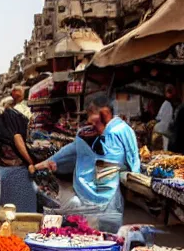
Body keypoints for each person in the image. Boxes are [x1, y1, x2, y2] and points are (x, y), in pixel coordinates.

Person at [35, 94, 140, 232]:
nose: (89, 119)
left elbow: (133, 157)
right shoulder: (84, 133)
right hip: (84, 194)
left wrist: (135, 179)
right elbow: (72, 150)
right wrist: (50, 161)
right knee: (83, 233)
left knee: (107, 235)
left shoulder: (122, 130)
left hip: (109, 196)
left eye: (92, 113)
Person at [0, 87, 36, 213]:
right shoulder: (13, 114)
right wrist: (30, 161)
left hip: (5, 169)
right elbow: (17, 138)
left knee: (8, 211)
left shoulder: (2, 118)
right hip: (17, 170)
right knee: (21, 212)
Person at [154, 84, 177, 151]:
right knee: (165, 147)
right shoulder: (167, 104)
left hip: (165, 129)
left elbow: (159, 117)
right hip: (164, 130)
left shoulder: (168, 104)